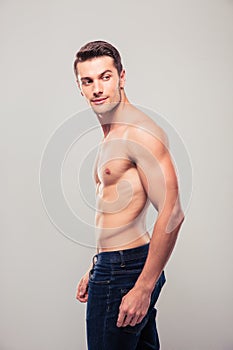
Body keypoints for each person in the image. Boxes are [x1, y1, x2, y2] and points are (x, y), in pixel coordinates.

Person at [74, 40, 184, 350]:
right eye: (88, 80)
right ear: (80, 87)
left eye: (105, 76)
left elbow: (172, 213)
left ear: (122, 77)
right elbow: (116, 208)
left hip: (127, 271)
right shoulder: (112, 133)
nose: (97, 88)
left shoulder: (139, 133)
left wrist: (143, 287)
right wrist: (96, 265)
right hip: (116, 265)